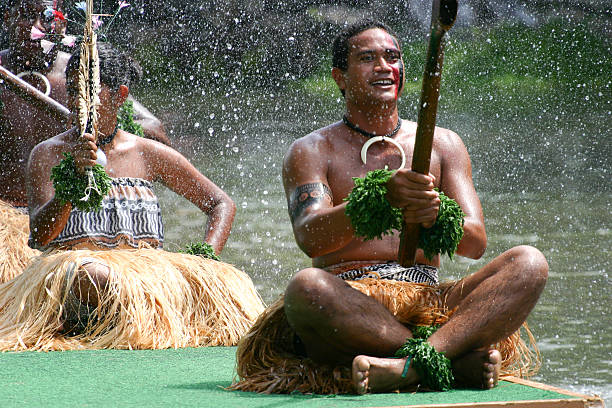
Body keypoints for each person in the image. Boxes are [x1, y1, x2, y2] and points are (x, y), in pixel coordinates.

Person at [231, 20, 548, 394]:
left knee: (529, 263)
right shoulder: (312, 150)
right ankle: (447, 359)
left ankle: (409, 367)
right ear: (340, 78)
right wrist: (381, 198)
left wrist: (434, 215)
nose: (383, 66)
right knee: (306, 288)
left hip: (431, 302)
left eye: (392, 57)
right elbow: (311, 238)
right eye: (367, 58)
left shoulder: (444, 144)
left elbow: (475, 243)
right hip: (351, 303)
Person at [0, 42, 264, 351]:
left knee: (222, 283)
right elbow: (40, 238)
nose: (76, 102)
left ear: (119, 95)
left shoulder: (148, 153)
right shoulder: (48, 154)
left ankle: (142, 320)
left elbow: (221, 204)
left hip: (143, 277)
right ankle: (142, 322)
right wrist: (72, 179)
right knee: (95, 275)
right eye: (72, 91)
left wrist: (203, 260)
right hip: (77, 279)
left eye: (88, 92)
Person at [0, 0, 171, 282]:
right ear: (7, 17)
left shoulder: (82, 72)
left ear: (62, 23)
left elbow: (155, 128)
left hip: (70, 226)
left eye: (46, 17)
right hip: (11, 224)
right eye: (26, 16)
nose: (35, 27)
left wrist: (91, 122)